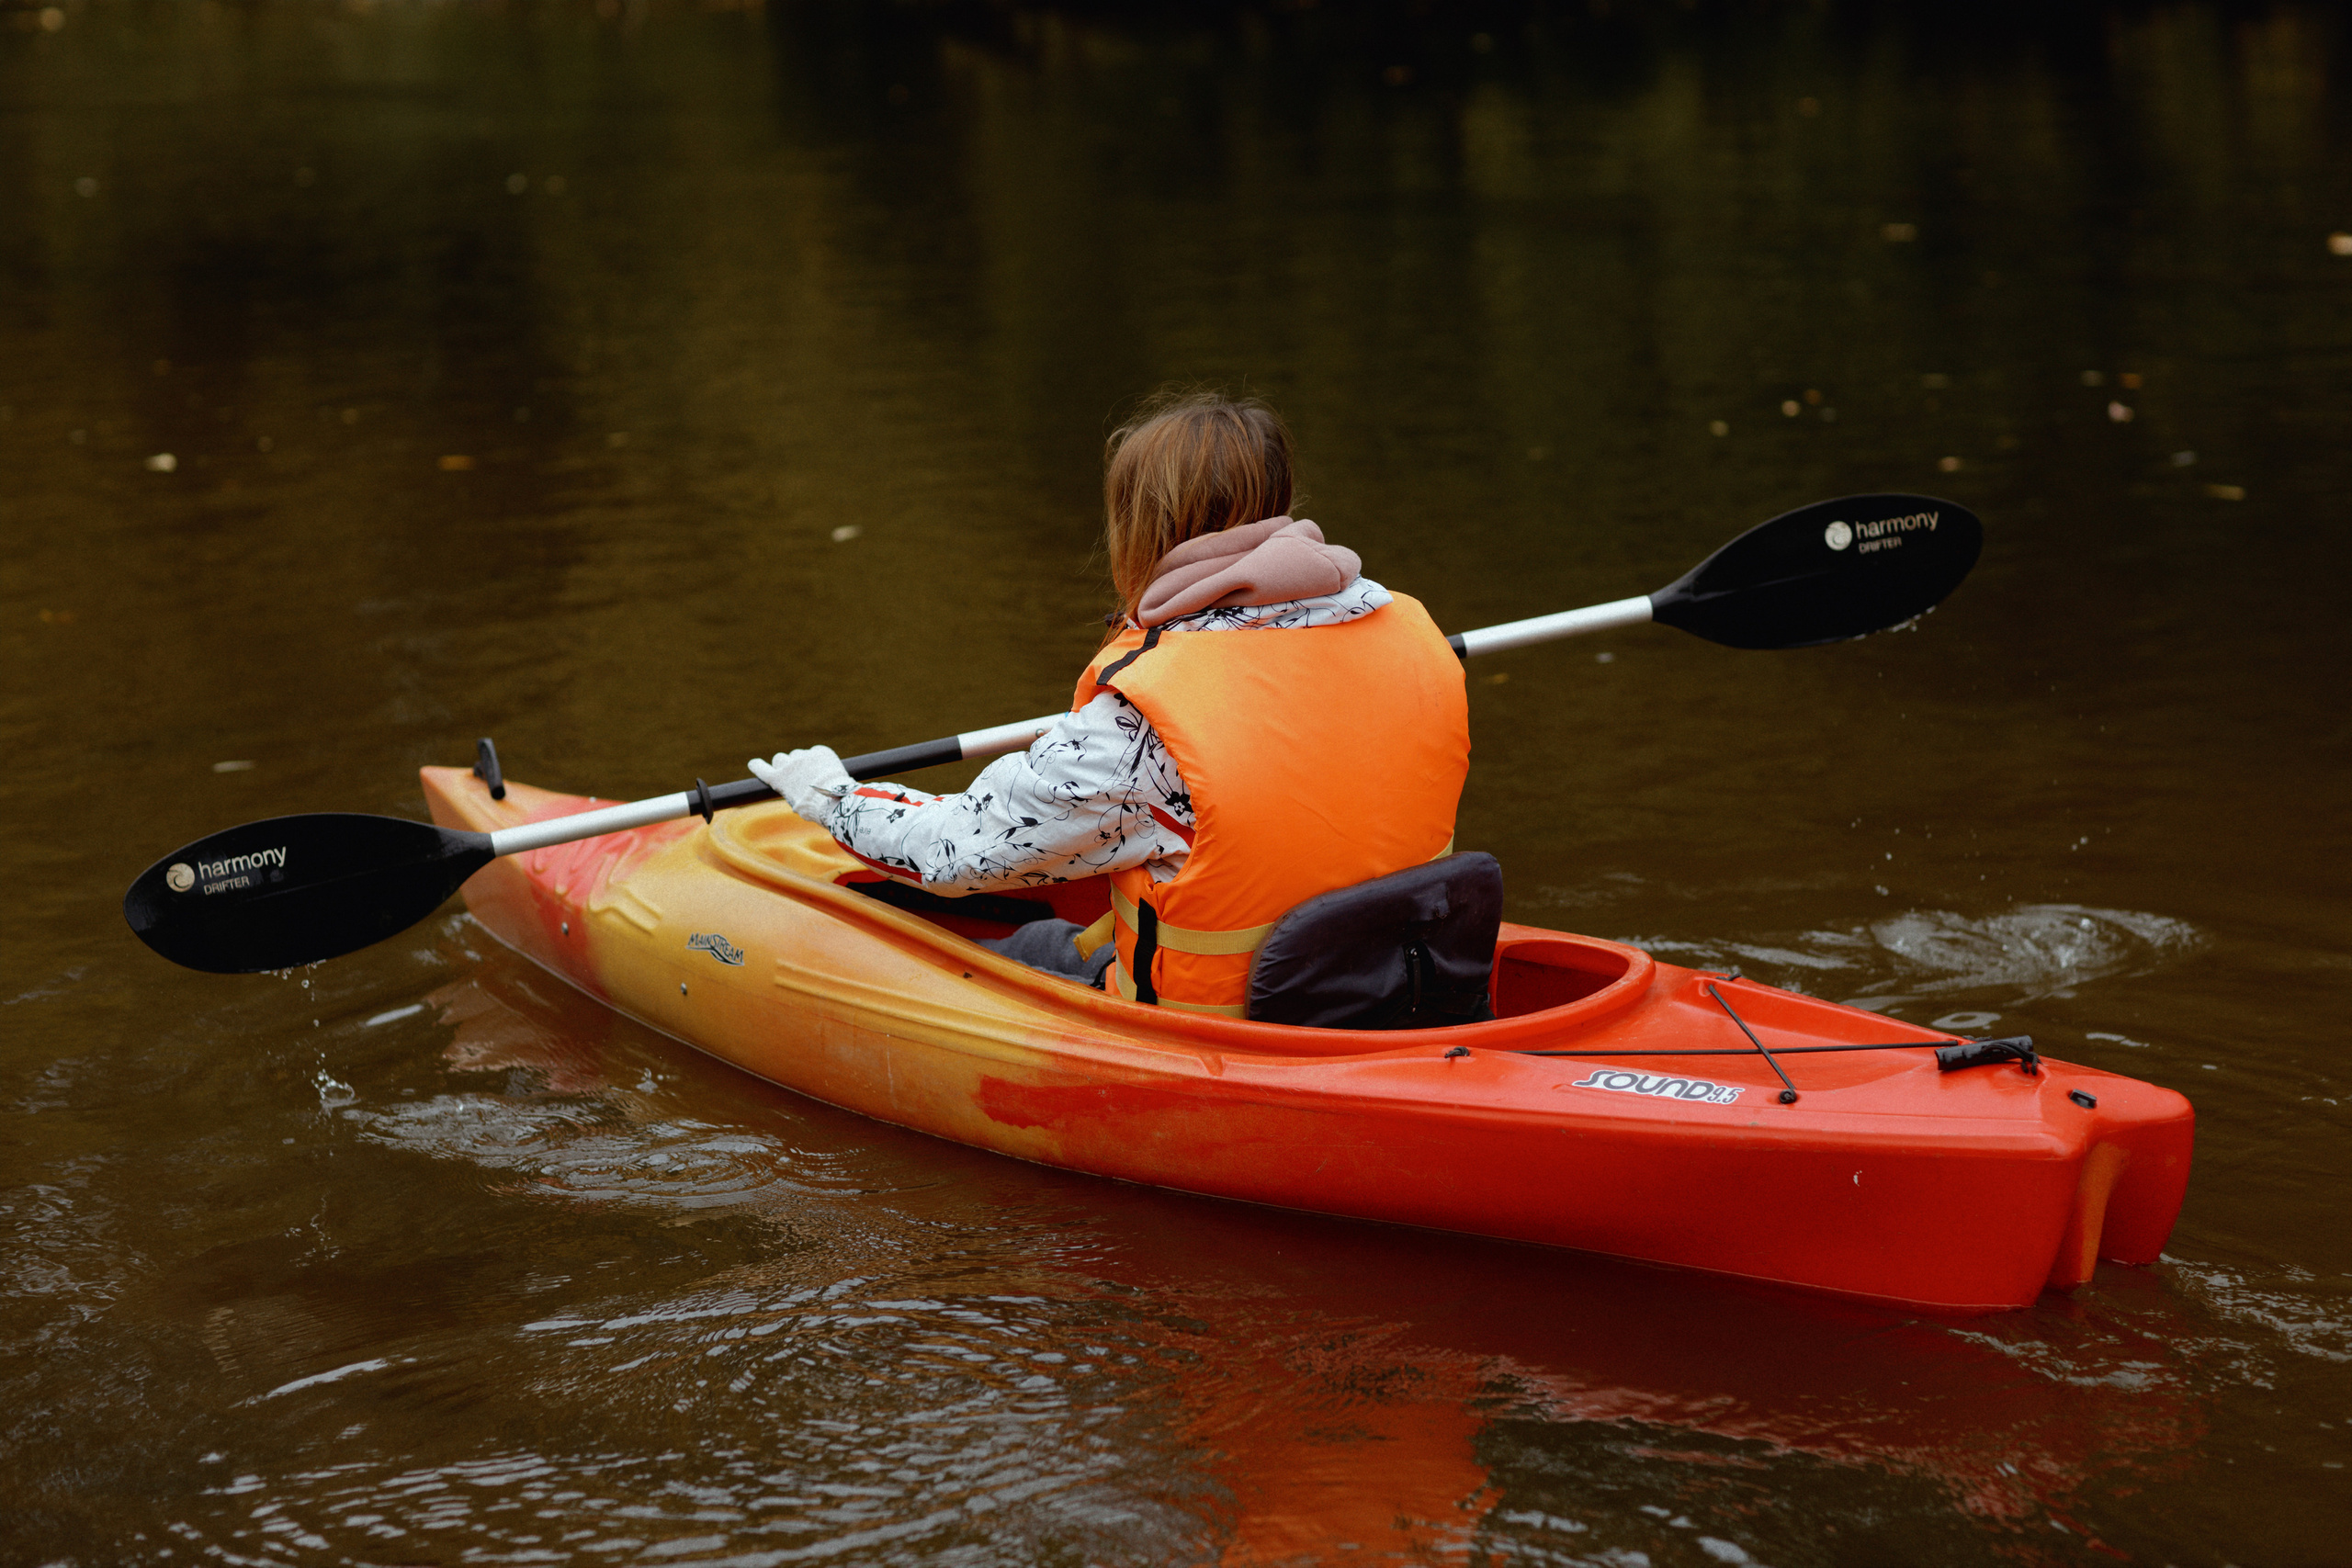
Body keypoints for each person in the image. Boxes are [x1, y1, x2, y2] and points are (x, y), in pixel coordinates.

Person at [751, 390, 1469, 1017]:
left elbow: (958, 852)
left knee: (1019, 950)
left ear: (1146, 529)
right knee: (1072, 932)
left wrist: (833, 797)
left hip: (1226, 1031)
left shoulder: (1141, 726)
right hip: (1407, 983)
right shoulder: (1414, 632)